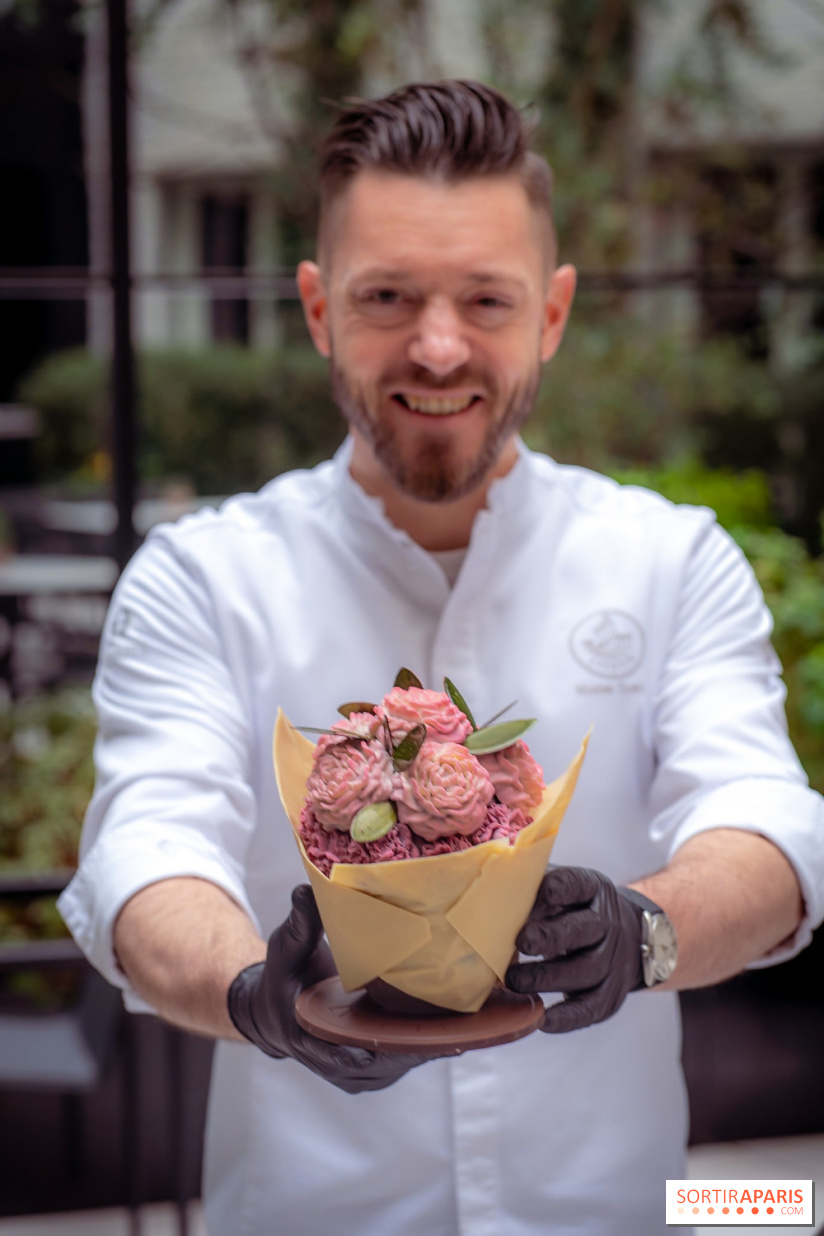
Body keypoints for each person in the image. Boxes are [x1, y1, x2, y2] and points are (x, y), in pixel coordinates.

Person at [59, 81, 824, 1236]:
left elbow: (763, 818)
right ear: (316, 310)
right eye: (386, 297)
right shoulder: (201, 576)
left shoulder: (669, 560)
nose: (436, 344)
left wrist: (639, 930)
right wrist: (259, 996)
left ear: (550, 315)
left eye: (485, 297)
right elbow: (146, 847)